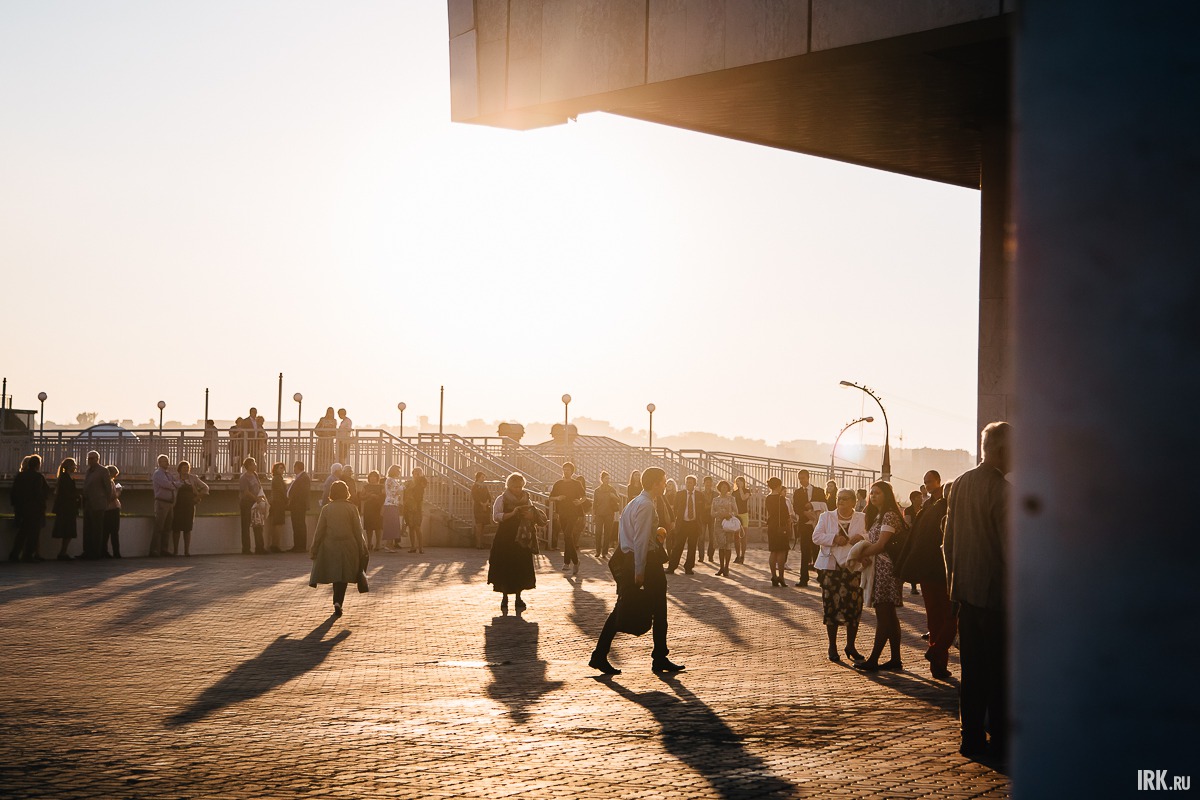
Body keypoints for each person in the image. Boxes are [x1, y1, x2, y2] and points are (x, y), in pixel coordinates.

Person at [944, 421, 1011, 758]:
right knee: (999, 673)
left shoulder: (961, 484)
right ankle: (999, 740)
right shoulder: (1003, 492)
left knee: (971, 673)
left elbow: (948, 543)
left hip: (966, 596)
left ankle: (970, 738)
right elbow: (1010, 549)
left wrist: (953, 589)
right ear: (1001, 450)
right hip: (997, 599)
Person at [589, 467, 683, 675]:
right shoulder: (647, 505)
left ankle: (600, 654)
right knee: (658, 608)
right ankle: (659, 656)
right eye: (662, 481)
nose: (664, 485)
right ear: (655, 483)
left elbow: (629, 535)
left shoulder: (634, 503)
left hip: (633, 558)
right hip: (646, 562)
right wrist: (640, 568)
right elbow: (640, 540)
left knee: (623, 606)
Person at [898, 470, 954, 680]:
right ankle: (937, 654)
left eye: (929, 482)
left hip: (928, 572)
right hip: (943, 573)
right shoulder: (940, 509)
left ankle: (938, 663)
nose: (928, 486)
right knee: (948, 618)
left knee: (935, 619)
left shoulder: (928, 509)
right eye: (926, 483)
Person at [853, 481, 907, 672]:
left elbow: (882, 544)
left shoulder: (890, 516)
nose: (873, 496)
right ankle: (895, 659)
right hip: (879, 568)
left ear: (886, 494)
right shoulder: (877, 516)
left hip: (887, 570)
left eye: (877, 493)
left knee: (884, 615)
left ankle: (874, 659)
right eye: (871, 493)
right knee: (889, 616)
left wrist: (861, 554)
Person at [812, 488, 867, 662]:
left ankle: (850, 645)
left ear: (853, 502)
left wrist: (861, 536)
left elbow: (871, 535)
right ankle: (832, 646)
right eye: (838, 499)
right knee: (831, 606)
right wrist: (834, 538)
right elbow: (816, 536)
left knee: (854, 607)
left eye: (845, 499)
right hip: (831, 567)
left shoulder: (862, 518)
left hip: (853, 567)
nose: (841, 502)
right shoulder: (826, 516)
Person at [308, 480, 368, 616]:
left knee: (336, 574)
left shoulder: (327, 509)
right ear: (346, 492)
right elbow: (358, 531)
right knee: (344, 575)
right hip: (349, 546)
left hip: (331, 546)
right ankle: (339, 601)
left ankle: (336, 601)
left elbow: (319, 531)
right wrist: (362, 547)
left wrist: (314, 548)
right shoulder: (352, 508)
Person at [487, 473, 542, 613]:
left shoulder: (527, 498)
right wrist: (512, 513)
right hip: (505, 536)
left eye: (520, 486)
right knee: (505, 565)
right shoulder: (502, 499)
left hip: (522, 537)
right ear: (509, 486)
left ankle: (518, 596)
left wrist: (529, 515)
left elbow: (532, 513)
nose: (518, 489)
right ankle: (505, 597)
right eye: (515, 486)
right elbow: (496, 517)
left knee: (520, 566)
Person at [10, 454, 49, 562]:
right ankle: (28, 555)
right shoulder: (38, 477)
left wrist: (16, 505)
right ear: (38, 465)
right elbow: (40, 493)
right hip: (34, 510)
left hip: (21, 509)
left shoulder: (20, 476)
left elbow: (14, 492)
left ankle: (14, 554)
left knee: (22, 533)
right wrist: (42, 505)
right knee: (33, 534)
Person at [791, 469, 827, 587]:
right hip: (804, 525)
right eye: (800, 478)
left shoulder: (819, 491)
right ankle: (804, 578)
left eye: (803, 478)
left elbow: (824, 505)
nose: (802, 480)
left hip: (817, 524)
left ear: (808, 477)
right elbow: (796, 507)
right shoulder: (797, 493)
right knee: (805, 551)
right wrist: (805, 513)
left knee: (818, 550)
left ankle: (821, 576)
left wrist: (813, 505)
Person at [549, 462, 585, 574]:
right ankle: (574, 562)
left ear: (572, 471)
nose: (566, 471)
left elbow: (584, 497)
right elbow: (550, 497)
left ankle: (568, 562)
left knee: (568, 534)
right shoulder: (558, 483)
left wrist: (579, 501)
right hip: (562, 513)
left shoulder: (576, 483)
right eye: (564, 469)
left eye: (568, 469)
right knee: (567, 537)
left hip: (573, 513)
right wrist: (558, 498)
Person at [668, 475, 705, 575]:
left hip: (694, 524)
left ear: (694, 484)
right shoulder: (680, 494)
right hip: (682, 523)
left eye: (690, 482)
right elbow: (675, 508)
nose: (688, 484)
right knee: (677, 546)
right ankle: (672, 567)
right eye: (687, 482)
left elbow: (702, 510)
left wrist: (700, 523)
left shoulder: (700, 495)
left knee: (692, 547)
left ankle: (689, 567)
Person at [171, 461, 209, 556]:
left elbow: (205, 488)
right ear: (180, 469)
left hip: (189, 506)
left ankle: (186, 551)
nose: (186, 469)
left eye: (187, 467)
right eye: (184, 467)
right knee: (176, 528)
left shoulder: (193, 478)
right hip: (178, 505)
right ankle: (175, 551)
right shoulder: (175, 478)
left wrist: (198, 497)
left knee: (187, 528)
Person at [80, 450, 113, 560]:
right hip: (88, 503)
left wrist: (106, 502)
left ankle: (96, 552)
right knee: (87, 529)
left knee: (97, 529)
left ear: (97, 459)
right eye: (88, 458)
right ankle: (87, 551)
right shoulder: (88, 471)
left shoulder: (103, 471)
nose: (89, 461)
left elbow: (108, 488)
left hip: (98, 504)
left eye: (92, 458)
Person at [150, 454, 181, 557]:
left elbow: (176, 482)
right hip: (161, 502)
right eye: (164, 461)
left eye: (167, 461)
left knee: (167, 528)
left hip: (169, 503)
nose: (167, 463)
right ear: (159, 463)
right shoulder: (158, 473)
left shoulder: (168, 474)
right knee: (159, 527)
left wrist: (174, 484)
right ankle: (154, 550)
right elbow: (167, 484)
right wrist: (174, 484)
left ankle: (164, 549)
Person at [765, 477, 792, 587]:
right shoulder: (781, 499)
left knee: (773, 551)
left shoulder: (767, 498)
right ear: (778, 486)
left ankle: (773, 576)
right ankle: (781, 576)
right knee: (781, 551)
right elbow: (786, 514)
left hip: (771, 525)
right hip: (781, 526)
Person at [51, 457, 80, 560]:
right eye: (74, 465)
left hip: (65, 508)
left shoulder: (63, 477)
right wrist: (77, 497)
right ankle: (63, 552)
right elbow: (67, 494)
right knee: (68, 531)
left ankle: (63, 552)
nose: (75, 467)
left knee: (67, 531)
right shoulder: (66, 478)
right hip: (67, 508)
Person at [239, 456, 267, 555]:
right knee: (246, 525)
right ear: (249, 465)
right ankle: (246, 548)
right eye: (254, 464)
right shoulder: (244, 478)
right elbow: (246, 492)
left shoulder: (255, 475)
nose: (255, 465)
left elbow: (259, 487)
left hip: (256, 503)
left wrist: (261, 498)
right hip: (247, 503)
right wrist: (255, 498)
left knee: (258, 524)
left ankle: (260, 547)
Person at [709, 480, 738, 577]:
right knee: (721, 546)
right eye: (722, 487)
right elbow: (712, 513)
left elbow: (736, 511)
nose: (724, 489)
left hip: (728, 523)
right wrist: (719, 514)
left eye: (726, 487)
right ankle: (721, 566)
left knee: (728, 545)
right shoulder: (715, 500)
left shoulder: (731, 499)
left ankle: (727, 567)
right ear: (719, 488)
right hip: (718, 524)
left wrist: (729, 515)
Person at [592, 471, 621, 558]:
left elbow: (618, 500)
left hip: (609, 513)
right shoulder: (597, 490)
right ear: (602, 479)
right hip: (599, 514)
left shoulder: (612, 489)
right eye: (606, 478)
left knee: (607, 533)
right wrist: (594, 514)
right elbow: (594, 503)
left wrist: (613, 496)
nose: (607, 480)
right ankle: (597, 551)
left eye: (608, 478)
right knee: (598, 532)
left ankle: (604, 551)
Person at [288, 460, 311, 553]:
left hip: (298, 505)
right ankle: (297, 545)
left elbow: (302, 492)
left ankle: (300, 546)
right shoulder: (300, 477)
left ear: (297, 467)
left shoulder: (303, 477)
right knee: (297, 525)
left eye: (294, 467)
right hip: (296, 505)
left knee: (299, 525)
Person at [265, 462, 288, 553]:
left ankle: (275, 545)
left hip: (278, 503)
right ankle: (275, 545)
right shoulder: (277, 479)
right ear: (276, 469)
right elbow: (281, 491)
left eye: (283, 468)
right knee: (278, 524)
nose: (282, 470)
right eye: (280, 468)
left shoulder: (277, 479)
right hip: (278, 504)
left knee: (277, 524)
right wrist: (287, 500)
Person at [904, 490, 924, 596]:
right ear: (912, 499)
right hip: (911, 538)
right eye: (918, 498)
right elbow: (907, 523)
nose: (920, 500)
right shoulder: (908, 510)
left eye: (921, 497)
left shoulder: (923, 509)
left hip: (922, 537)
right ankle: (913, 586)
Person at [404, 467, 428, 553]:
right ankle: (413, 546)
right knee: (410, 527)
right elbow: (405, 493)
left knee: (417, 527)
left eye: (418, 473)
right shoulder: (409, 483)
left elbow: (424, 485)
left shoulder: (422, 482)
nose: (416, 475)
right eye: (415, 473)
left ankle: (421, 547)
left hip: (417, 508)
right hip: (409, 508)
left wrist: (420, 478)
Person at [381, 465, 404, 552]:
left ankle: (390, 544)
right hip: (390, 504)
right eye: (398, 471)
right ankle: (388, 544)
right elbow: (393, 492)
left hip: (393, 504)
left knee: (393, 525)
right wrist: (402, 488)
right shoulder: (390, 480)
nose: (399, 472)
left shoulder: (392, 480)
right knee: (391, 525)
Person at [361, 470, 385, 552]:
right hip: (369, 508)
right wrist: (368, 495)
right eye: (371, 476)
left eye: (374, 476)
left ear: (377, 478)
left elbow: (383, 497)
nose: (372, 478)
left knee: (378, 527)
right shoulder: (366, 487)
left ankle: (378, 544)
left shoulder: (381, 487)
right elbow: (361, 497)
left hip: (377, 508)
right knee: (369, 527)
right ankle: (369, 543)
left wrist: (376, 496)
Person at [103, 465, 122, 558]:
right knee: (114, 532)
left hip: (107, 509)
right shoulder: (110, 483)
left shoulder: (107, 482)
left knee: (106, 531)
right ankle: (116, 552)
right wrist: (118, 491)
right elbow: (112, 496)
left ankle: (104, 550)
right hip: (113, 509)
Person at [732, 476, 751, 564]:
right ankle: (738, 555)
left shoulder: (747, 491)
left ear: (743, 482)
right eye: (737, 482)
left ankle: (743, 555)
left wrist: (740, 489)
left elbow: (743, 498)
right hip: (736, 515)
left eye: (740, 481)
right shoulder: (734, 493)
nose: (738, 483)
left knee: (744, 536)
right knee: (736, 537)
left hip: (744, 515)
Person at [471, 471, 492, 550]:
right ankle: (478, 543)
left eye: (484, 477)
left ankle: (481, 542)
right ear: (478, 477)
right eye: (482, 477)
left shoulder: (485, 486)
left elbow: (488, 496)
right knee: (479, 525)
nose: (483, 479)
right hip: (478, 507)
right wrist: (481, 503)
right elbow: (475, 496)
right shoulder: (475, 486)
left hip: (486, 507)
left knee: (483, 525)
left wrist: (487, 502)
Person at [698, 475, 716, 563]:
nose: (708, 484)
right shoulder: (700, 494)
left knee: (712, 537)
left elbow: (715, 506)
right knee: (701, 537)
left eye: (710, 482)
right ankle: (701, 556)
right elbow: (701, 507)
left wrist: (707, 506)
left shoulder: (715, 494)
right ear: (704, 484)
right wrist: (710, 506)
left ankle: (710, 556)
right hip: (702, 517)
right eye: (706, 482)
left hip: (713, 517)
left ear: (712, 484)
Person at [314, 408, 337, 472]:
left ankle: (328, 472)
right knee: (321, 457)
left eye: (331, 412)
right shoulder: (322, 419)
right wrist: (322, 433)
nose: (330, 414)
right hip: (322, 442)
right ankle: (319, 473)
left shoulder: (334, 421)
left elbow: (335, 431)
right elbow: (316, 430)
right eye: (329, 412)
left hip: (329, 442)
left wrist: (330, 433)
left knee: (329, 457)